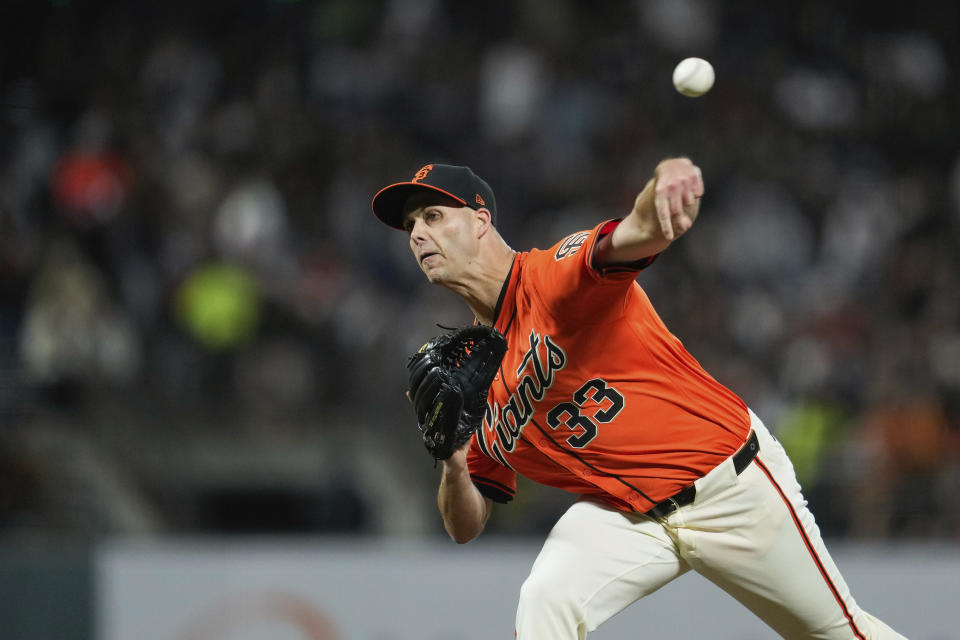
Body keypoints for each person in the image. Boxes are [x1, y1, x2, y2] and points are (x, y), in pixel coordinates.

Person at [371, 160, 906, 639]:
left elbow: (635, 234)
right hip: (628, 518)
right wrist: (451, 462)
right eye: (411, 225)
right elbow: (465, 525)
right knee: (546, 600)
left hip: (727, 484)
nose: (418, 233)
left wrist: (664, 181)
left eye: (434, 215)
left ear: (481, 220)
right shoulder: (477, 373)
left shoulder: (552, 276)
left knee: (841, 635)